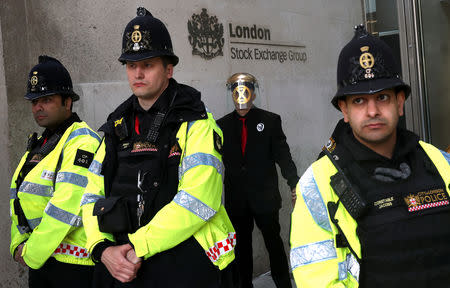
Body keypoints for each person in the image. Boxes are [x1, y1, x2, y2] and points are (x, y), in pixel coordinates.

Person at [81, 7, 235, 288]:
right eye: (131, 65)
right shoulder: (114, 127)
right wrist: (102, 250)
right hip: (121, 266)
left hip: (181, 266)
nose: (138, 73)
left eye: (148, 64)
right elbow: (89, 195)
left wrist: (136, 246)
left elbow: (199, 200)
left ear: (168, 68)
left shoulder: (196, 122)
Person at [290, 25, 450, 288]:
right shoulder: (316, 186)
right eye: (359, 101)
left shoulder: (440, 163)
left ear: (400, 102)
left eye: (383, 97)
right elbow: (316, 280)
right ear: (344, 109)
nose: (373, 110)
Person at [9, 56, 101, 287]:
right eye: (34, 101)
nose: (38, 107)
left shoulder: (82, 141)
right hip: (42, 261)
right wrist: (18, 242)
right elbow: (18, 196)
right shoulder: (41, 143)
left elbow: (66, 204)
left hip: (72, 267)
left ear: (67, 102)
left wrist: (30, 253)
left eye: (46, 99)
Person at [217, 73, 299, 288]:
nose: (241, 96)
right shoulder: (221, 125)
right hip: (237, 199)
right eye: (236, 91)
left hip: (265, 196)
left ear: (253, 93)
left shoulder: (270, 121)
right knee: (241, 248)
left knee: (273, 243)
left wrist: (293, 182)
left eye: (245, 90)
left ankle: (283, 284)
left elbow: (283, 155)